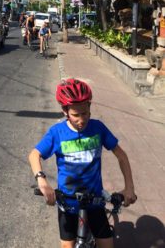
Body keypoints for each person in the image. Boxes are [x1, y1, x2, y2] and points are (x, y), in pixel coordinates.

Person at [28, 78, 137, 248]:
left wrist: (129, 187)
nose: (81, 119)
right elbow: (34, 155)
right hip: (68, 204)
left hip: (95, 201)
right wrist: (42, 181)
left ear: (89, 107)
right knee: (67, 246)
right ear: (65, 111)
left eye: (85, 113)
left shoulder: (98, 128)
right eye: (75, 115)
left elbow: (121, 156)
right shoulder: (57, 133)